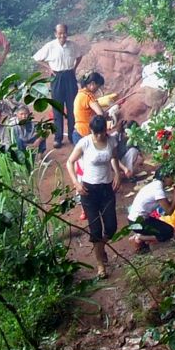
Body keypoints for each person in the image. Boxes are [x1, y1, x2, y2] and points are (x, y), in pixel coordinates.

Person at [65, 114, 121, 278]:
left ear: (106, 130)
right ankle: (100, 265)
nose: (99, 136)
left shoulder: (111, 141)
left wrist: (117, 173)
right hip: (88, 190)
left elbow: (114, 157)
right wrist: (76, 182)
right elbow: (70, 162)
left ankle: (100, 247)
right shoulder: (85, 143)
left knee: (111, 227)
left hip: (107, 188)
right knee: (95, 229)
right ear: (91, 131)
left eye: (102, 132)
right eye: (96, 133)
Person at [32, 23, 82, 148]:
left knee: (72, 107)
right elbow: (37, 58)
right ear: (55, 34)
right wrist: (48, 68)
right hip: (57, 78)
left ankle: (72, 135)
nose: (62, 35)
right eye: (59, 33)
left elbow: (79, 56)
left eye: (64, 33)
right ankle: (58, 138)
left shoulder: (73, 46)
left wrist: (74, 68)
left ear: (67, 33)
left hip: (70, 76)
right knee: (57, 108)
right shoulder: (50, 46)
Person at [128, 167, 175, 254]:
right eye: (172, 177)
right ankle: (139, 237)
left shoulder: (156, 185)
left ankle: (143, 237)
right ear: (164, 177)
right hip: (137, 223)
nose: (174, 179)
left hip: (135, 221)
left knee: (166, 228)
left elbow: (166, 209)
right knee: (169, 233)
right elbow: (169, 211)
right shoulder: (158, 189)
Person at [73, 72, 119, 145]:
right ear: (92, 83)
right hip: (85, 133)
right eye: (97, 87)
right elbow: (100, 114)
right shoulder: (88, 96)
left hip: (77, 132)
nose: (97, 90)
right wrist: (109, 116)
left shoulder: (80, 94)